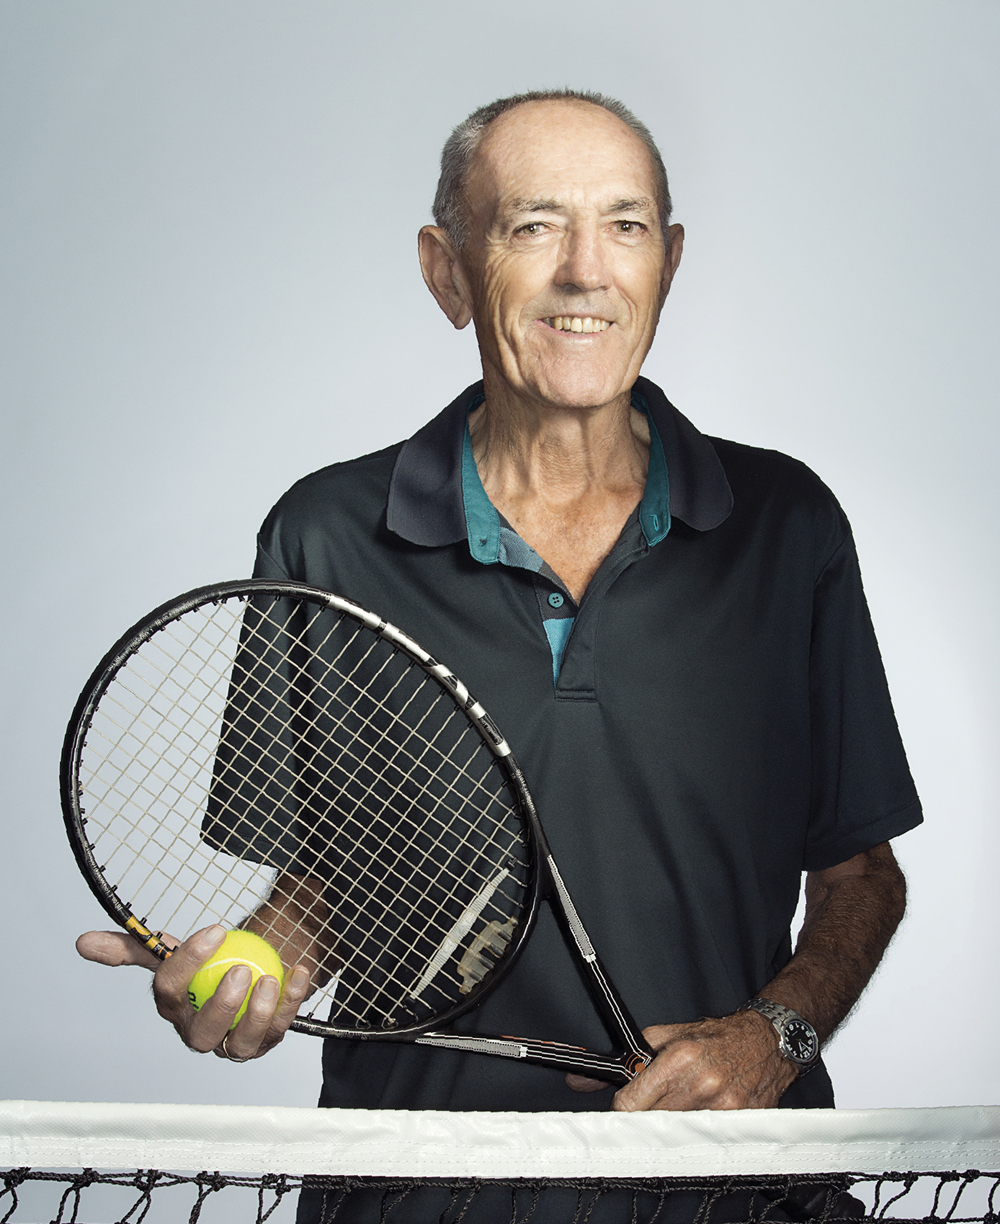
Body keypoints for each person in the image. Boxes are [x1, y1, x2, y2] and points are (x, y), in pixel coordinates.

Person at [77, 90, 918, 1119]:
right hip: (418, 1208)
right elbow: (331, 882)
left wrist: (773, 1039)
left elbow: (858, 879)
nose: (585, 269)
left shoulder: (786, 526)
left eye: (625, 225)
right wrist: (266, 969)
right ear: (447, 271)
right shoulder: (327, 534)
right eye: (532, 226)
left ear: (670, 261)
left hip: (731, 1210)